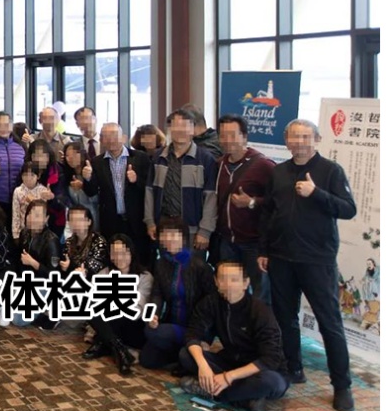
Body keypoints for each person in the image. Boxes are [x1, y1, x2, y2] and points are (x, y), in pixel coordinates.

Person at [257, 119, 357, 411]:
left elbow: (348, 209)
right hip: (281, 258)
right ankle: (293, 368)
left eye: (305, 136)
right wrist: (264, 250)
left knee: (330, 323)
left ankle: (342, 385)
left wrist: (316, 193)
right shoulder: (278, 172)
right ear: (286, 140)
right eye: (293, 137)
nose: (298, 142)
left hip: (317, 260)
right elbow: (268, 213)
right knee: (285, 318)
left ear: (317, 139)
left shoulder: (330, 170)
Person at [177, 262, 288, 411]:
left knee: (272, 382)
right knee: (186, 354)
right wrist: (203, 366)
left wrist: (228, 377)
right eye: (223, 278)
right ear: (216, 282)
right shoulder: (211, 302)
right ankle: (246, 399)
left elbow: (270, 359)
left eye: (234, 279)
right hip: (230, 362)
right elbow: (193, 333)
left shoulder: (260, 311)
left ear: (245, 283)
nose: (228, 284)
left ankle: (210, 391)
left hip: (259, 370)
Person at [214, 114, 275, 303]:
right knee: (229, 291)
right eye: (223, 135)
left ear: (244, 136)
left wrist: (252, 202)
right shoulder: (219, 164)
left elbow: (278, 202)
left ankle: (260, 322)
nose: (227, 140)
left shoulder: (263, 165)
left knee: (260, 293)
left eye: (233, 135)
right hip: (227, 241)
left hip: (254, 243)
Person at [141, 218, 215, 372]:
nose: (169, 239)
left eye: (174, 235)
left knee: (154, 334)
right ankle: (182, 355)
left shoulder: (200, 266)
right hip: (172, 322)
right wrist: (153, 315)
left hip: (195, 327)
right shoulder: (161, 263)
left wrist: (203, 334)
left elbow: (211, 302)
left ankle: (191, 348)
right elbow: (157, 294)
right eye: (165, 235)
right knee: (147, 359)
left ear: (184, 238)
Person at [145, 109, 218, 260]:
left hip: (193, 230)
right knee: (167, 267)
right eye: (176, 126)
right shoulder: (159, 157)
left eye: (185, 126)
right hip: (164, 228)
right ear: (169, 129)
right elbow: (150, 192)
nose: (180, 131)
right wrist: (150, 222)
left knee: (193, 270)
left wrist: (205, 231)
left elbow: (211, 198)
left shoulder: (205, 159)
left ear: (193, 129)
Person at [82, 123, 154, 265]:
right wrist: (88, 179)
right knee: (114, 259)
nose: (111, 140)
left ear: (124, 138)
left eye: (114, 135)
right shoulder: (97, 162)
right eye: (106, 136)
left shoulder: (141, 158)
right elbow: (91, 192)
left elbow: (150, 188)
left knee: (140, 258)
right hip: (111, 220)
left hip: (136, 219)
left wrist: (136, 180)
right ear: (101, 140)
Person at [83, 234, 152, 376]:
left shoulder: (145, 277)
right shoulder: (105, 273)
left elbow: (137, 310)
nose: (119, 257)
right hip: (111, 323)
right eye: (114, 253)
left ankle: (104, 343)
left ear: (131, 252)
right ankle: (120, 350)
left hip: (132, 326)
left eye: (123, 252)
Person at [0, 112, 27, 220]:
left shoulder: (21, 146)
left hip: (19, 199)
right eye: (0, 125)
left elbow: (28, 169)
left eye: (6, 124)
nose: (3, 128)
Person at [29, 139, 71, 240]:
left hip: (55, 220)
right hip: (33, 219)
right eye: (35, 155)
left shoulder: (58, 172)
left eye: (42, 155)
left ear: (48, 156)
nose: (38, 159)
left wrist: (52, 198)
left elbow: (64, 202)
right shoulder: (27, 170)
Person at [63, 141, 99, 233]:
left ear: (82, 154)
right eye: (67, 155)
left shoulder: (92, 170)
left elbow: (96, 198)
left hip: (92, 218)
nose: (71, 158)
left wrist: (84, 185)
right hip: (74, 221)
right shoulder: (67, 175)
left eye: (75, 154)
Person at [11, 163, 52, 240]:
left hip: (40, 230)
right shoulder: (18, 191)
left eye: (32, 175)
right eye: (25, 175)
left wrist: (33, 200)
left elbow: (44, 213)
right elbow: (15, 214)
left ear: (38, 176)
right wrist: (16, 234)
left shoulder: (43, 191)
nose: (28, 178)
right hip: (23, 230)